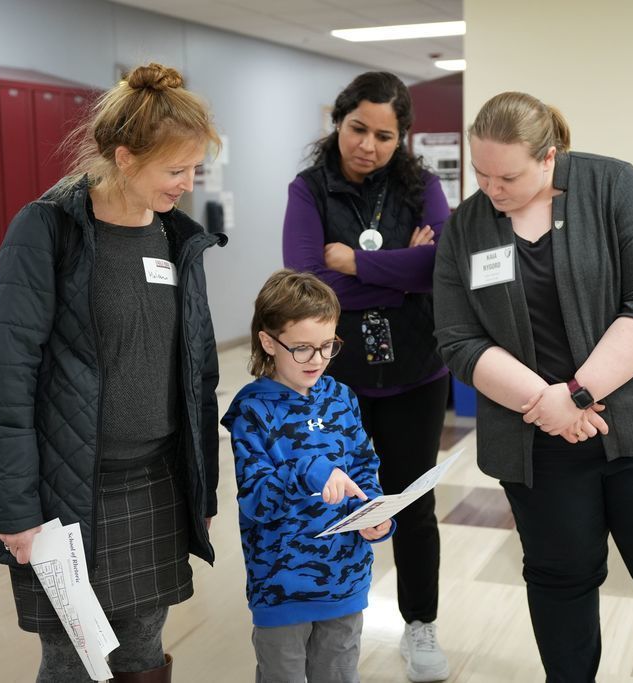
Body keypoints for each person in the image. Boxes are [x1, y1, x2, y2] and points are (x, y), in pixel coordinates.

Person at [433, 91, 633, 681]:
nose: (492, 189)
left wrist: (572, 394)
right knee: (559, 579)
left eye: (509, 176)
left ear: (549, 157)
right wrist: (544, 404)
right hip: (539, 444)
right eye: (482, 173)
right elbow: (458, 339)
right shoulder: (468, 227)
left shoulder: (613, 187)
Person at [0, 62, 226, 682]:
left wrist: (201, 487)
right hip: (64, 489)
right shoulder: (47, 230)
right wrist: (18, 509)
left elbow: (198, 375)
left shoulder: (176, 238)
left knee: (141, 650)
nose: (188, 184)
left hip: (155, 480)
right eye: (175, 170)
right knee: (72, 656)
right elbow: (10, 379)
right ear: (126, 158)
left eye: (194, 169)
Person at [282, 71, 452, 682]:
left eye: (385, 135)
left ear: (401, 137)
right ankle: (326, 625)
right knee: (331, 498)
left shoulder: (423, 186)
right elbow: (306, 284)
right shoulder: (309, 191)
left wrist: (354, 260)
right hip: (335, 378)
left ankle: (420, 625)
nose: (369, 146)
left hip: (416, 372)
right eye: (359, 128)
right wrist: (400, 267)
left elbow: (441, 268)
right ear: (339, 120)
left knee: (412, 503)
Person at [221, 269, 393, 683]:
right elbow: (256, 501)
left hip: (345, 582)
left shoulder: (341, 397)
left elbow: (365, 471)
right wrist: (309, 471)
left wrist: (378, 518)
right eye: (301, 348)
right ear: (268, 341)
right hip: (281, 589)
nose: (316, 359)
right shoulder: (253, 410)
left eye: (327, 346)